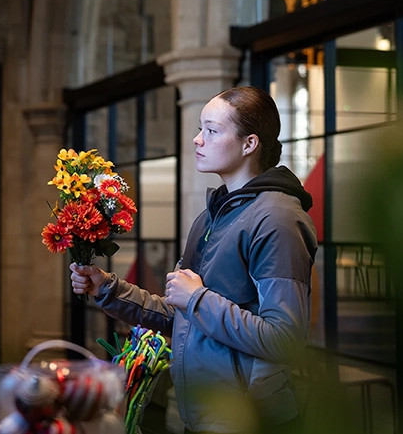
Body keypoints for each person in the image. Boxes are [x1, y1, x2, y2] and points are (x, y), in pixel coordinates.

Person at [70, 86, 317, 434]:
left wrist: (197, 298)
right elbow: (183, 315)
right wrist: (108, 289)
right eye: (200, 129)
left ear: (249, 144)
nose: (198, 140)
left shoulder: (276, 219)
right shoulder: (211, 216)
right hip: (201, 416)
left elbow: (284, 339)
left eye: (212, 131)